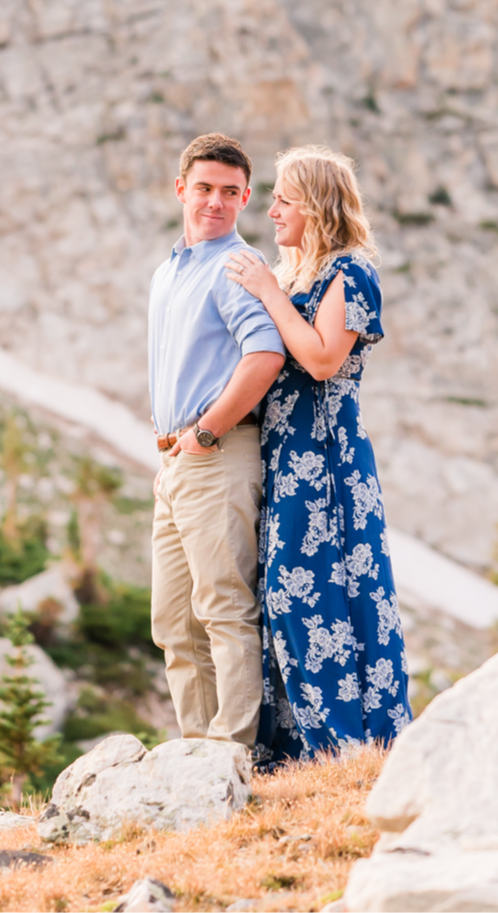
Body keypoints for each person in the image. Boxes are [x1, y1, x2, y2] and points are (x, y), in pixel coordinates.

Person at [225, 143, 411, 764]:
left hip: (327, 463)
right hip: (283, 458)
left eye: (284, 199)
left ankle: (349, 745)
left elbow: (324, 358)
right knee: (282, 599)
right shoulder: (293, 276)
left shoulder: (350, 273)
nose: (272, 210)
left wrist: (267, 292)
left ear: (317, 206)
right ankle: (295, 752)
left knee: (320, 594)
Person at [148, 132, 286, 751]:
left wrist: (204, 433)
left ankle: (232, 755)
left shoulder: (235, 268)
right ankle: (196, 755)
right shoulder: (168, 271)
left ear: (246, 197)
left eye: (230, 192)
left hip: (218, 452)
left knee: (223, 608)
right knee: (174, 623)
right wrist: (176, 447)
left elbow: (265, 356)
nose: (215, 202)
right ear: (181, 188)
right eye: (204, 188)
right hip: (175, 460)